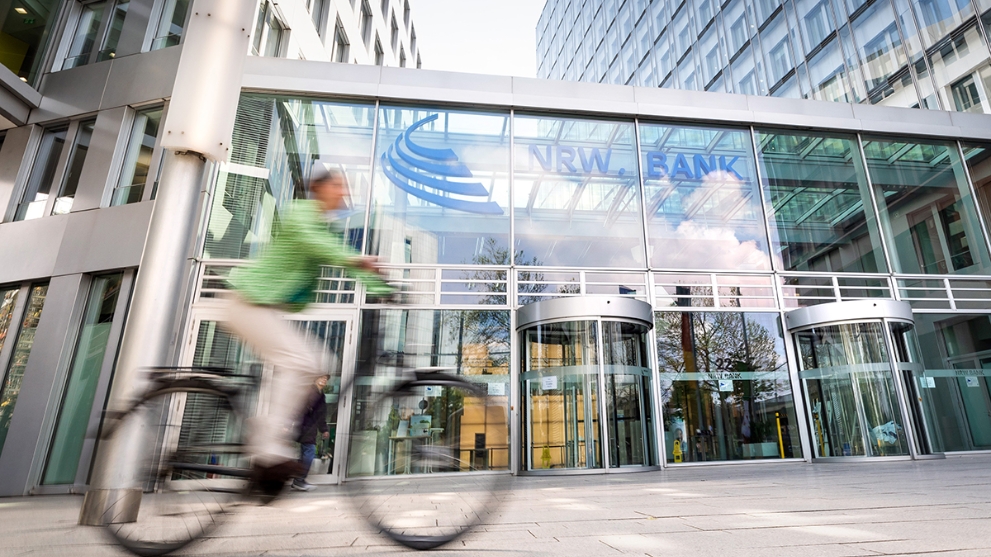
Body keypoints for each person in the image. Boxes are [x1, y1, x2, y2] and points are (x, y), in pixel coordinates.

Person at [223, 163, 393, 501]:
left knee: (311, 362)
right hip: (246, 303)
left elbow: (340, 258)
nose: (344, 193)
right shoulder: (301, 213)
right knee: (304, 361)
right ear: (319, 188)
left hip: (261, 309)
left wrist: (385, 287)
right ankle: (267, 449)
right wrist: (359, 260)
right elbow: (322, 247)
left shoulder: (323, 227)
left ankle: (266, 443)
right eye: (339, 186)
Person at [292, 375, 330, 492]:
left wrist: (324, 429)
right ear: (315, 379)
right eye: (322, 377)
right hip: (305, 427)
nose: (324, 380)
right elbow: (298, 408)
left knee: (305, 454)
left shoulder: (321, 394)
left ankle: (298, 480)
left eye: (326, 378)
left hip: (310, 428)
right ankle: (299, 480)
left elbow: (320, 415)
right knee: (310, 452)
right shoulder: (310, 392)